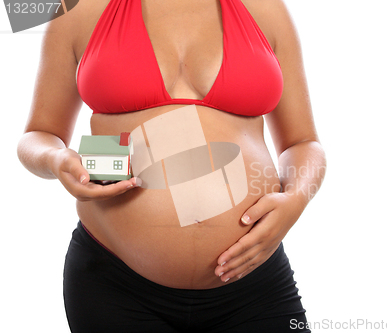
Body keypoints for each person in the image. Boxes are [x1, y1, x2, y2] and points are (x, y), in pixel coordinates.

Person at [17, 0, 326, 332]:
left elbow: (303, 142)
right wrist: (56, 159)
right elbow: (38, 135)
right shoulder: (78, 9)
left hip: (255, 281)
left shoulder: (264, 9)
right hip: (115, 284)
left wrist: (296, 199)